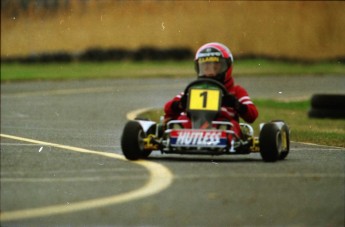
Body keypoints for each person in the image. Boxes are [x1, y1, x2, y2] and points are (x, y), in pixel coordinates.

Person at [164, 42, 258, 138]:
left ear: (227, 67)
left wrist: (235, 104)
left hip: (222, 124)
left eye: (216, 67)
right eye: (206, 67)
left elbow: (252, 115)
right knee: (181, 120)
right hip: (193, 122)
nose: (210, 73)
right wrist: (180, 104)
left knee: (229, 125)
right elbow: (167, 109)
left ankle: (221, 136)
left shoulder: (235, 91)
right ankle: (178, 134)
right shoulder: (194, 89)